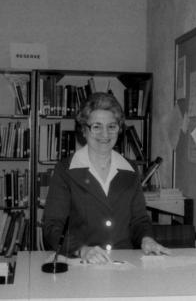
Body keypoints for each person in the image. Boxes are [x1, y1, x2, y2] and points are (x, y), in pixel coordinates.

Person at [43, 92, 170, 264]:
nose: (105, 134)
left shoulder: (130, 170)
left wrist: (146, 239)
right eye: (96, 126)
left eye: (111, 126)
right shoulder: (65, 170)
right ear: (84, 130)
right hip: (81, 264)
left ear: (119, 129)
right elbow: (52, 227)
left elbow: (139, 220)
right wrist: (82, 249)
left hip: (123, 264)